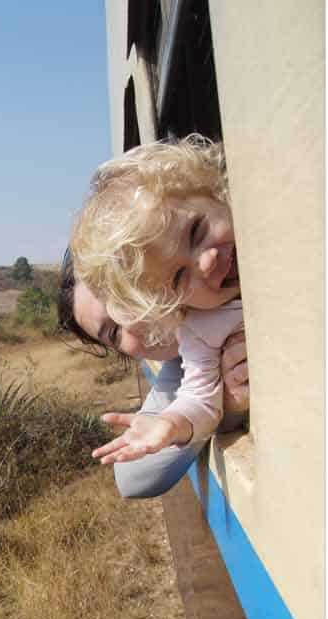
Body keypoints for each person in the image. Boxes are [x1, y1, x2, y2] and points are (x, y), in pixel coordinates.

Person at [70, 134, 243, 465]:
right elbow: (199, 399)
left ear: (213, 191)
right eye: (179, 278)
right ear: (171, 306)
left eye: (196, 230)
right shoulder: (201, 329)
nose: (205, 263)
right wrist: (170, 423)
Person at [56, 248, 248, 499]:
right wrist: (219, 404)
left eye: (127, 295)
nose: (134, 322)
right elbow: (133, 478)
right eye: (114, 332)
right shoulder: (183, 363)